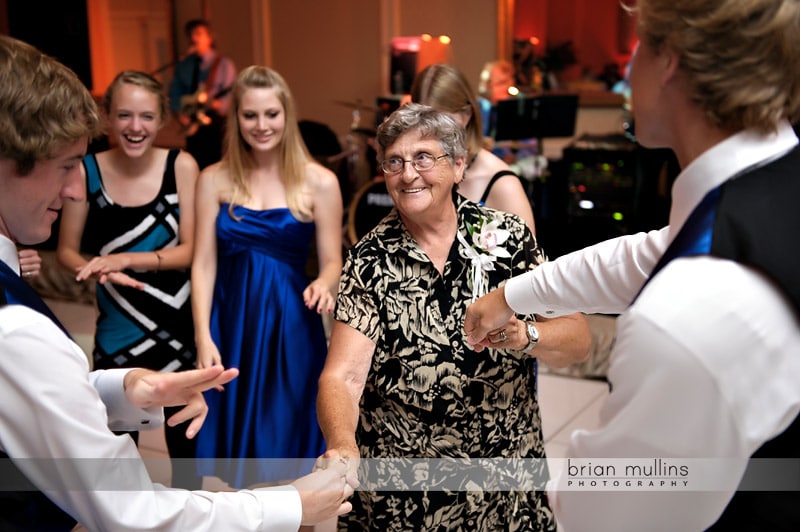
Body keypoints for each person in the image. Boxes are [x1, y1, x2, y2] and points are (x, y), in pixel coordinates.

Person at [463, 0, 800, 530]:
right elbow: (639, 257)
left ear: (669, 61)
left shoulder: (686, 315)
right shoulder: (767, 187)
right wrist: (509, 296)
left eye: (640, 44)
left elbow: (604, 512)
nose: (628, 67)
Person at [0, 34, 355, 531]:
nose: (79, 188)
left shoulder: (313, 180)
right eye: (66, 166)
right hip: (230, 312)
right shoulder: (16, 326)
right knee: (230, 439)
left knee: (284, 425)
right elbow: (128, 508)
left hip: (285, 319)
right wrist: (290, 507)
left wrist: (125, 389)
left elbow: (41, 394)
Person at [316, 103, 591, 530]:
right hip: (407, 494)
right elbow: (342, 377)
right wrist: (342, 444)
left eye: (423, 157)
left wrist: (527, 335)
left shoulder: (507, 239)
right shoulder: (370, 259)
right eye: (394, 162)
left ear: (459, 165)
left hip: (506, 477)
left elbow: (578, 338)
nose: (408, 174)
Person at [192, 65, 343, 489]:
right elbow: (203, 263)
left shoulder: (320, 182)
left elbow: (334, 259)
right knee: (241, 449)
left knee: (292, 441)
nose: (262, 126)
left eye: (271, 114)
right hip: (233, 323)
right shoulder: (213, 179)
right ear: (235, 118)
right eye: (250, 115)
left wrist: (323, 282)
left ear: (287, 115)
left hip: (289, 326)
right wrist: (203, 335)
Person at [56, 70, 202, 489]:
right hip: (118, 326)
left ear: (162, 119)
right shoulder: (87, 171)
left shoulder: (182, 165)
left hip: (178, 327)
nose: (135, 127)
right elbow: (66, 250)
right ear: (106, 117)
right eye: (123, 115)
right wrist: (92, 266)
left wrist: (124, 258)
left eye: (146, 116)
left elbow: (191, 250)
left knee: (185, 448)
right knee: (119, 452)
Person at [411, 63, 536, 232]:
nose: (432, 133)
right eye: (423, 121)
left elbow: (528, 256)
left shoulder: (503, 184)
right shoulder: (412, 176)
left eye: (443, 121)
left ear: (466, 114)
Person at [168, 18, 236, 170]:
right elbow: (174, 94)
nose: (194, 38)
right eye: (191, 34)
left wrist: (214, 103)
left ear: (210, 38)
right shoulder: (184, 64)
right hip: (192, 125)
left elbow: (229, 100)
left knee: (217, 166)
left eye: (199, 34)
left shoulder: (223, 64)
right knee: (195, 166)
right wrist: (180, 114)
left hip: (215, 125)